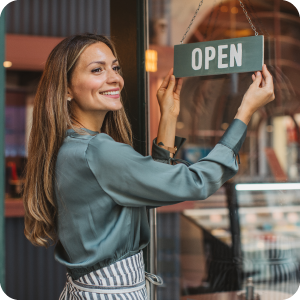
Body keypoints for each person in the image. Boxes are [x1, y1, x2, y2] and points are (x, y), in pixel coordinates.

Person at [22, 33, 275, 300]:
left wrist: (168, 117)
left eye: (115, 67)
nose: (115, 78)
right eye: (97, 69)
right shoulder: (97, 151)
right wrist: (245, 111)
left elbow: (150, 187)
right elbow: (196, 182)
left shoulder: (70, 147)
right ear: (66, 89)